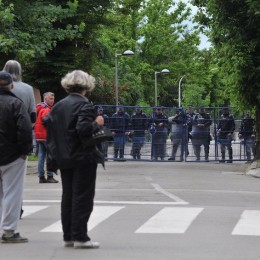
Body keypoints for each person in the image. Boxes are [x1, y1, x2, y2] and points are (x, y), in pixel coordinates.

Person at [46, 70, 103, 249]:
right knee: (83, 197)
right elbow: (84, 129)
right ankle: (81, 237)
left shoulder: (58, 106)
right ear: (87, 85)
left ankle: (69, 236)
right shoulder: (85, 105)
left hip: (64, 157)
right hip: (83, 157)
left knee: (68, 196)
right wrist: (98, 123)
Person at [0, 71, 32, 243]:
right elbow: (25, 130)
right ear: (11, 85)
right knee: (12, 193)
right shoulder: (16, 104)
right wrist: (24, 151)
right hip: (12, 156)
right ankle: (9, 231)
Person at [3, 60, 36, 218]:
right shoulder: (28, 89)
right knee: (15, 183)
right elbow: (33, 115)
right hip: (19, 140)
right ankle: (17, 210)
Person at [34, 92, 58, 183]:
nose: (53, 100)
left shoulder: (39, 108)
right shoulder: (46, 109)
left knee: (41, 156)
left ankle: (41, 177)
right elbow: (46, 121)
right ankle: (50, 176)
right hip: (46, 136)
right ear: (45, 99)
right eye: (51, 99)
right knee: (50, 156)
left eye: (53, 98)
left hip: (39, 136)